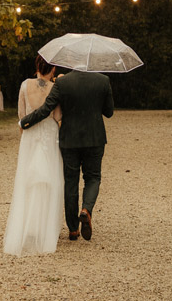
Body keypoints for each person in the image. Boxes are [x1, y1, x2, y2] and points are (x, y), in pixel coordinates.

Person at [19, 60, 114, 242]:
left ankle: (72, 229)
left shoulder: (63, 82)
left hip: (69, 139)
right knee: (92, 177)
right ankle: (86, 209)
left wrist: (26, 121)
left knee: (70, 181)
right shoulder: (103, 81)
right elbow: (109, 112)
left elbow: (47, 108)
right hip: (95, 138)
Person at [2, 56, 64, 256]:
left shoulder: (24, 85)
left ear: (37, 67)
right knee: (48, 179)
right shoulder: (56, 88)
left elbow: (21, 115)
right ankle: (44, 227)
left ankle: (27, 226)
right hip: (49, 134)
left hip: (30, 135)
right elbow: (57, 116)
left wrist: (25, 136)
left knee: (27, 180)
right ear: (53, 69)